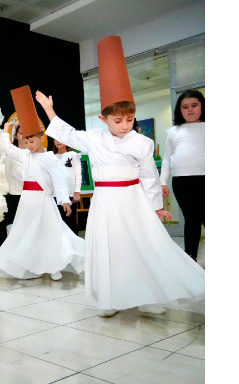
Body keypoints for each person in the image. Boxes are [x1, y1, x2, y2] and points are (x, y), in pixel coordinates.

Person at [37, 35, 205, 318]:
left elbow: (149, 176)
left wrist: (156, 206)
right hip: (105, 202)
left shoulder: (142, 142)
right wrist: (49, 110)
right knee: (109, 248)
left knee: (141, 245)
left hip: (133, 201)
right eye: (118, 120)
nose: (125, 125)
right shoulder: (93, 138)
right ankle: (109, 298)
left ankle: (150, 293)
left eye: (130, 119)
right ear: (103, 119)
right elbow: (66, 133)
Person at [0, 87, 84, 281]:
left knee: (49, 231)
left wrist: (64, 200)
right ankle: (30, 267)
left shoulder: (50, 158)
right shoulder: (24, 155)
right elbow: (7, 148)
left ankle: (54, 266)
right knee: (26, 232)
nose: (29, 144)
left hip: (44, 199)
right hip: (27, 200)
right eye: (26, 140)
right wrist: (6, 131)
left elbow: (59, 179)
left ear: (42, 137)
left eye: (32, 140)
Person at [161, 90, 205, 261]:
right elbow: (166, 159)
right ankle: (190, 258)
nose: (190, 110)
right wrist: (163, 181)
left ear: (202, 106)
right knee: (191, 219)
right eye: (185, 107)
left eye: (194, 105)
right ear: (180, 110)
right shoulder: (174, 132)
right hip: (182, 181)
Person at [53, 139, 82, 234]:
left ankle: (74, 246)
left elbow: (78, 174)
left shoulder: (73, 155)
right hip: (55, 195)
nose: (58, 141)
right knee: (57, 223)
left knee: (70, 222)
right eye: (55, 139)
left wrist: (77, 192)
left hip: (70, 194)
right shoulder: (51, 156)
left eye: (60, 138)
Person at [4, 124, 25, 233]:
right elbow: (7, 173)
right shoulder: (11, 154)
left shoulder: (34, 153)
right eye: (21, 133)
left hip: (31, 195)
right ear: (16, 136)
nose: (24, 136)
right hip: (15, 194)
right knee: (15, 226)